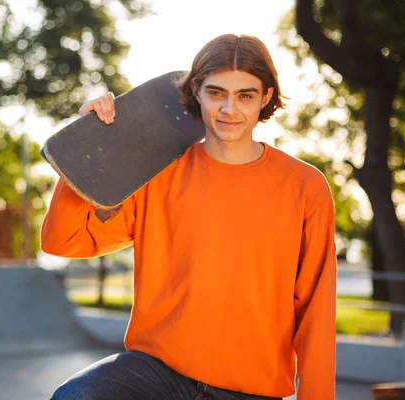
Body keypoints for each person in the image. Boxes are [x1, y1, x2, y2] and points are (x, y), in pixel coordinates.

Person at [41, 34, 337, 400]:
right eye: (216, 93)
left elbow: (316, 309)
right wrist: (90, 148)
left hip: (248, 390)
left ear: (267, 97)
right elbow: (62, 240)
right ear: (196, 91)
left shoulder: (305, 187)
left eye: (245, 95)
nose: (229, 108)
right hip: (156, 374)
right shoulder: (159, 174)